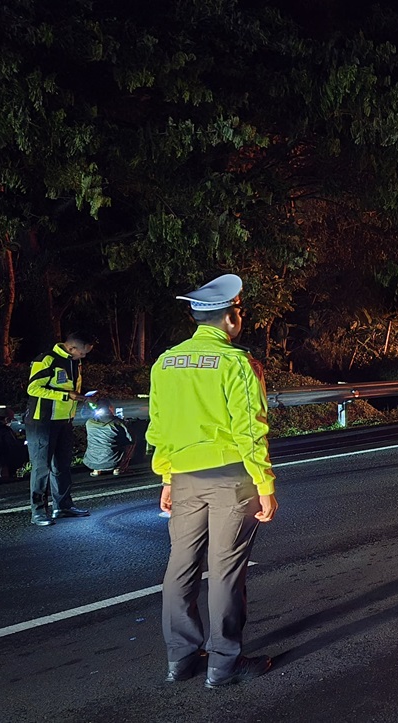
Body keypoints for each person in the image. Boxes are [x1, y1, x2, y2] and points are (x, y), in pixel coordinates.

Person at [147, 273, 278, 688]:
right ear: (230, 319)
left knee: (180, 569)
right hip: (231, 481)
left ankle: (179, 661)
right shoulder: (236, 363)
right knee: (225, 573)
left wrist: (168, 477)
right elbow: (250, 430)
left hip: (185, 477)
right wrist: (265, 484)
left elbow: (160, 428)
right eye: (238, 311)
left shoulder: (165, 362)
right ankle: (224, 664)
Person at [25, 331, 96, 525]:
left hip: (65, 421)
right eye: (83, 352)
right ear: (72, 348)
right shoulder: (47, 359)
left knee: (62, 466)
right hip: (42, 422)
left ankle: (63, 506)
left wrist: (81, 397)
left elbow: (71, 388)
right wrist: (67, 396)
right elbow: (33, 388)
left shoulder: (74, 362)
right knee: (41, 468)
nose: (84, 356)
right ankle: (38, 511)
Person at [83, 400, 136, 477]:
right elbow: (131, 438)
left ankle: (96, 470)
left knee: (97, 442)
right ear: (110, 408)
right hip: (113, 461)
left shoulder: (89, 422)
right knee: (131, 442)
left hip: (90, 462)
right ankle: (119, 468)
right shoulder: (118, 422)